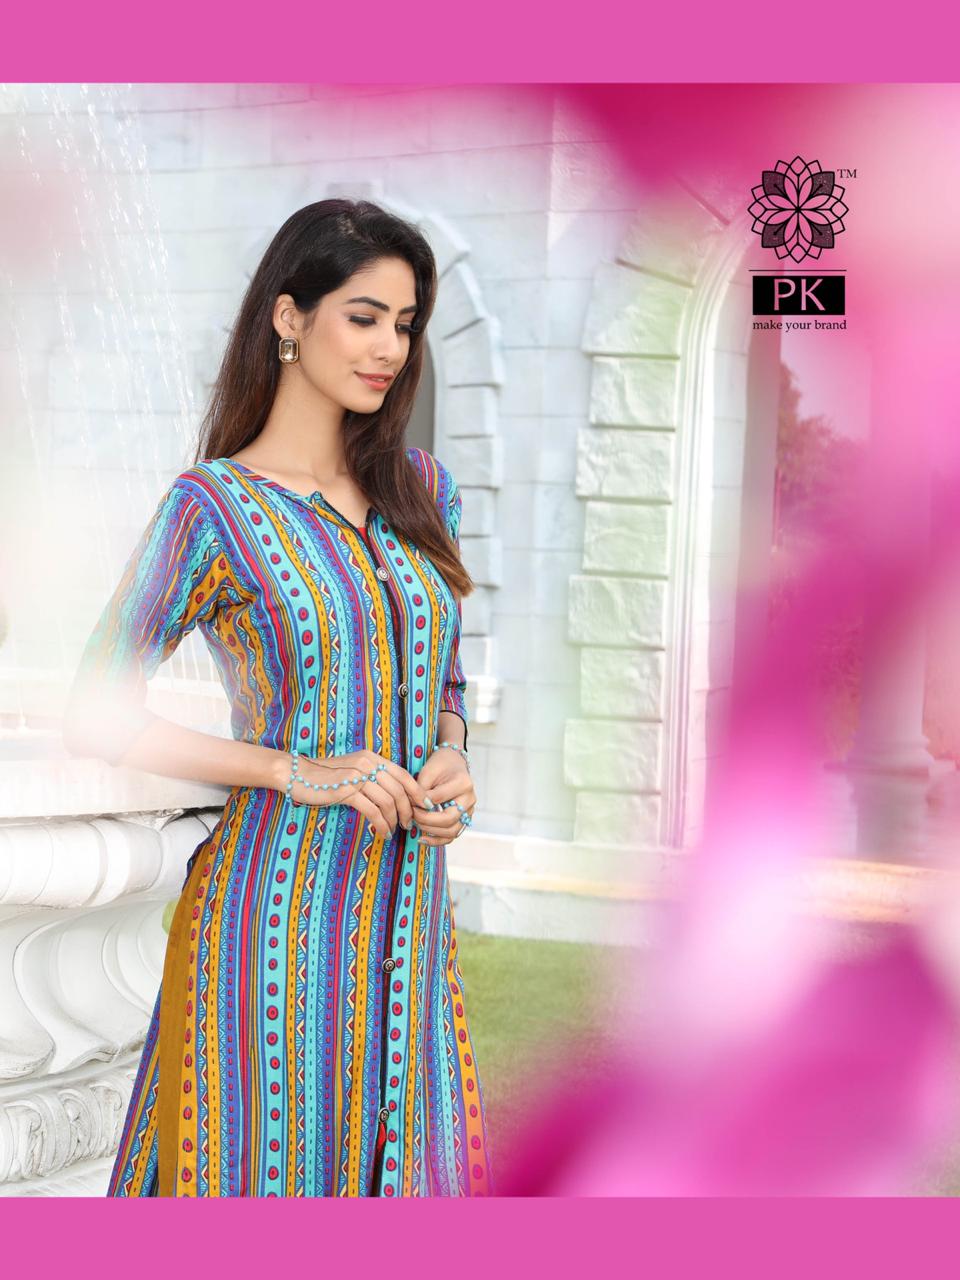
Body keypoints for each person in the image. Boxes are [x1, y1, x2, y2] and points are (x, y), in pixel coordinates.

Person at [62, 199, 493, 1197]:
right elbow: (97, 705)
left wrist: (454, 753)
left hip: (409, 918)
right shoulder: (213, 507)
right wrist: (294, 770)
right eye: (364, 316)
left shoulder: (422, 488)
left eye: (405, 323)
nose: (390, 347)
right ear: (290, 316)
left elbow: (443, 677)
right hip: (277, 922)